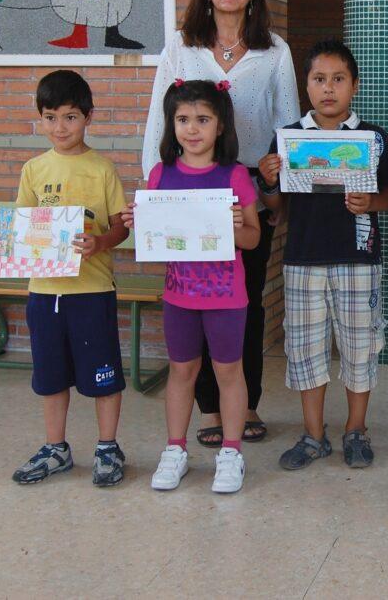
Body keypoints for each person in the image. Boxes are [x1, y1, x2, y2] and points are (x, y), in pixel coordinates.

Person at [142, 0, 300, 447]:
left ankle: (245, 401)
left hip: (246, 188)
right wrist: (155, 191)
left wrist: (277, 185)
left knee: (243, 300)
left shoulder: (273, 49)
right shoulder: (180, 47)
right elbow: (157, 120)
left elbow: (288, 122)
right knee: (192, 297)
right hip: (186, 190)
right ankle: (209, 408)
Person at [257, 40, 388, 470]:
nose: (329, 88)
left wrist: (368, 205)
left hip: (357, 259)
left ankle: (356, 430)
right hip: (301, 260)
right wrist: (267, 183)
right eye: (320, 79)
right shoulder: (289, 139)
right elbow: (279, 210)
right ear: (306, 85)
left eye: (339, 79)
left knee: (360, 347)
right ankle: (313, 435)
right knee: (305, 349)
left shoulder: (373, 138)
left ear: (354, 85)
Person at [0, 70, 129, 486]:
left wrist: (100, 243)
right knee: (49, 376)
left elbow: (121, 227)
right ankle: (56, 448)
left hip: (92, 291)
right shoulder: (33, 169)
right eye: (50, 117)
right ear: (40, 119)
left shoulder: (102, 169)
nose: (60, 127)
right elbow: (21, 227)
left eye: (69, 117)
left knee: (102, 376)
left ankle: (107, 447)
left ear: (88, 117)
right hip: (44, 293)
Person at [126, 79, 261, 493]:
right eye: (183, 119)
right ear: (171, 125)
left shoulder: (234, 175)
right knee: (182, 370)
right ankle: (175, 450)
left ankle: (231, 452)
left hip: (226, 296)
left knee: (228, 371)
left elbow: (253, 239)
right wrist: (140, 224)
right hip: (179, 294)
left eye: (203, 119)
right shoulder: (160, 174)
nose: (192, 128)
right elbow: (156, 238)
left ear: (220, 126)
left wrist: (238, 227)